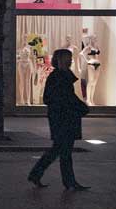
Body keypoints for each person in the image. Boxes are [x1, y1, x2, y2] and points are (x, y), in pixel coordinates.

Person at [27, 49, 90, 191]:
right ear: (60, 60)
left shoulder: (63, 76)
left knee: (59, 150)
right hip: (62, 118)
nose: (70, 60)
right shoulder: (58, 77)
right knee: (64, 151)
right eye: (67, 58)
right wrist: (79, 106)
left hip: (64, 117)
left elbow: (64, 97)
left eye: (70, 58)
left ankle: (38, 174)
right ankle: (69, 182)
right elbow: (58, 97)